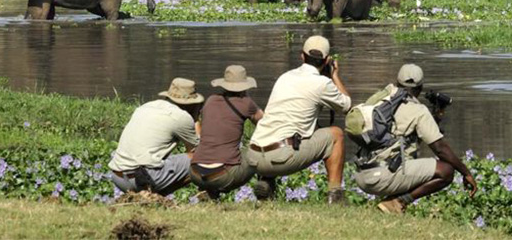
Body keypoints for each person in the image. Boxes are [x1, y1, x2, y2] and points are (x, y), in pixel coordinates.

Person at [353, 63, 478, 214]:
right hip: (382, 178)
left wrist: (435, 119)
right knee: (446, 171)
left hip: (361, 175)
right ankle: (398, 202)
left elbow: (404, 140)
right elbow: (440, 149)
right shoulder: (419, 111)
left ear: (397, 82)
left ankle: (389, 203)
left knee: (407, 160)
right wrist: (466, 172)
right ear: (420, 89)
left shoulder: (380, 100)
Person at [245, 35, 351, 204]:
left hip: (254, 156)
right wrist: (335, 75)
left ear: (302, 56)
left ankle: (267, 183)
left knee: (278, 128)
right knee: (336, 135)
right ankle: (335, 196)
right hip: (280, 158)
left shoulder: (284, 77)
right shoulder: (323, 83)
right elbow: (347, 106)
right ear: (327, 60)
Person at [109, 77, 203, 195]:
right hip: (141, 179)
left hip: (118, 177)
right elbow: (199, 152)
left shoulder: (146, 106)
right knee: (200, 160)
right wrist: (195, 119)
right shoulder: (181, 117)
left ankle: (151, 197)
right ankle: (151, 195)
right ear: (192, 104)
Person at [189, 65, 263, 199]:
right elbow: (264, 122)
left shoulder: (211, 100)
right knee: (258, 154)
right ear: (244, 86)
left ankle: (210, 193)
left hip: (195, 172)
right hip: (223, 174)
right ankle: (265, 190)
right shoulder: (246, 103)